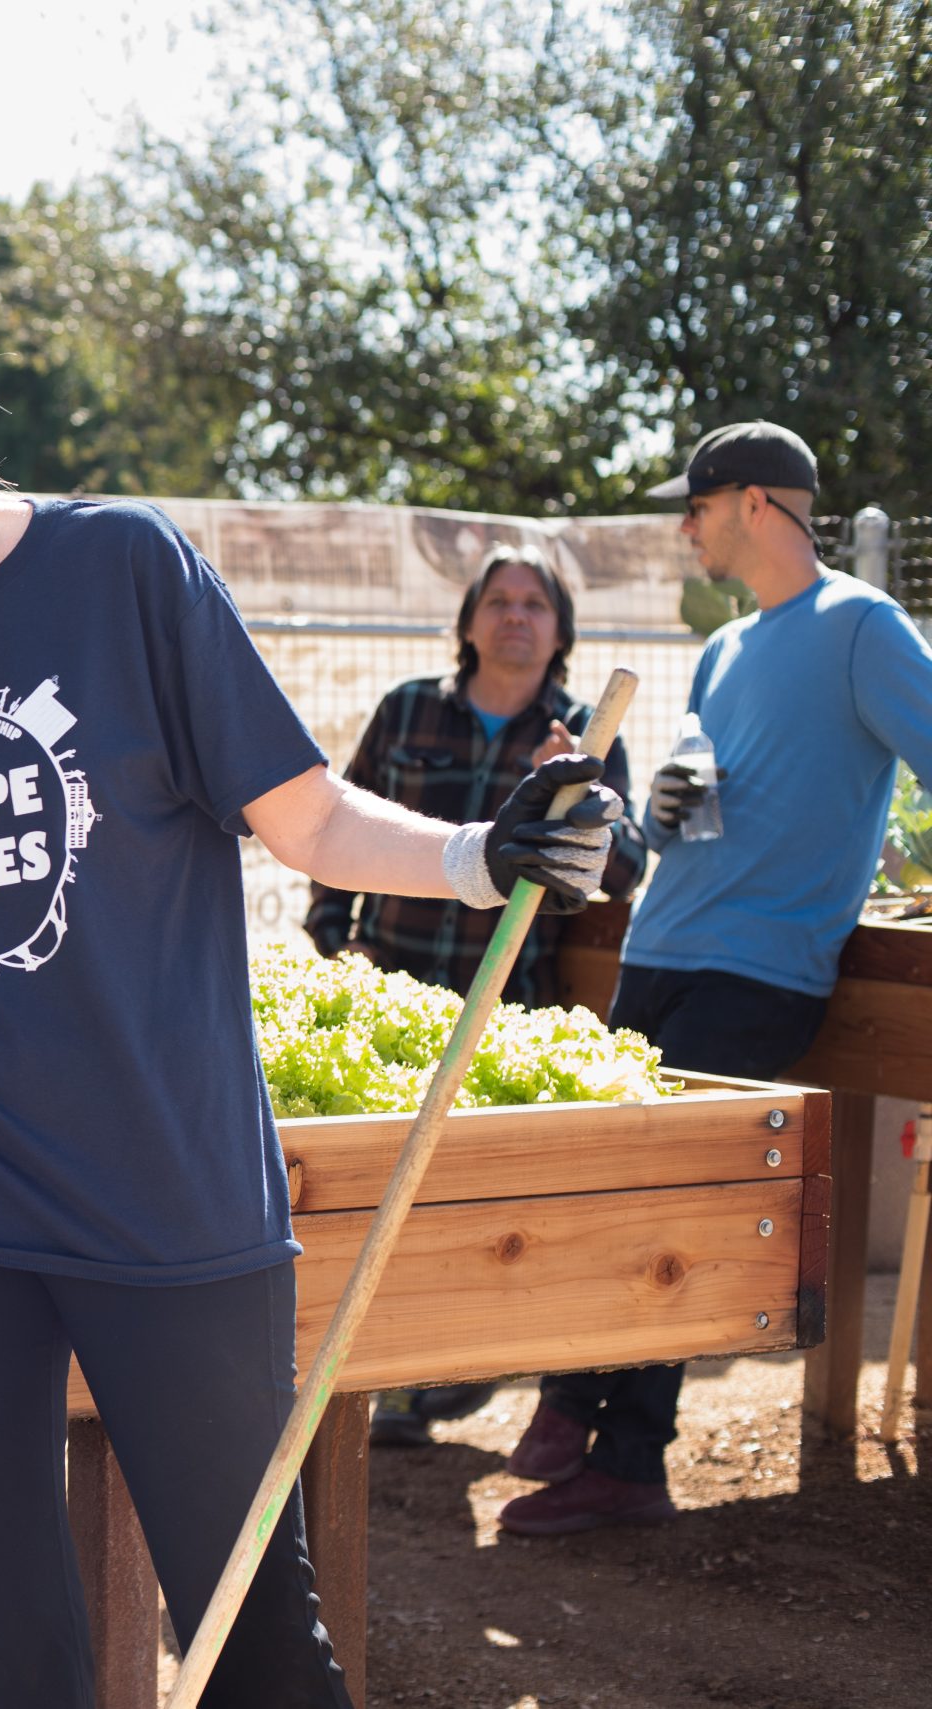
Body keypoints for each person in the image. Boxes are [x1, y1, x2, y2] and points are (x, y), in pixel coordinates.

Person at [0, 261, 623, 1708]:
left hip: (165, 1196)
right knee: (9, 1646)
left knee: (255, 1645)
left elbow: (307, 818)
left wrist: (487, 852)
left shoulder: (122, 568)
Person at [498, 420, 932, 1536]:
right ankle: (568, 1404)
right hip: (659, 948)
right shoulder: (725, 647)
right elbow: (684, 811)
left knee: (669, 1195)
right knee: (607, 1176)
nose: (681, 528)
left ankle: (629, 1459)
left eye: (691, 507)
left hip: (761, 966)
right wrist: (660, 807)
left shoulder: (861, 626)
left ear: (751, 503)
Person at [303, 544, 648, 1448]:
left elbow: (628, 867)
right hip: (392, 991)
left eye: (536, 603)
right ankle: (361, 1371)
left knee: (464, 1203)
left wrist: (587, 788)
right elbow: (336, 820)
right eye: (499, 599)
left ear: (561, 630)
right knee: (370, 1185)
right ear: (468, 621)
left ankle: (437, 1371)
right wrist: (335, 943)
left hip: (503, 1002)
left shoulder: (585, 733)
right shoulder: (409, 707)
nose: (516, 616)